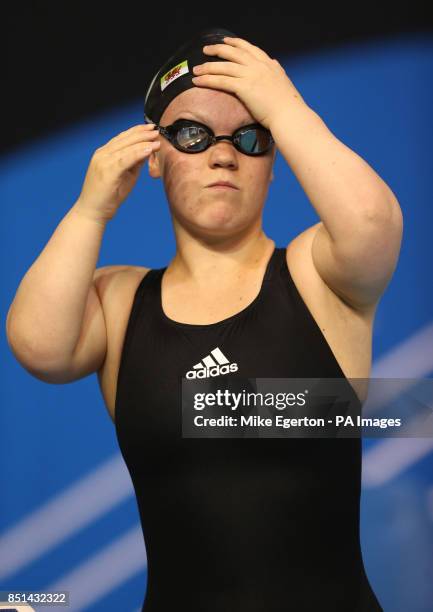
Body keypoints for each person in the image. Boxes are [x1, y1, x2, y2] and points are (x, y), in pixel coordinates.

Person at [6, 26, 402, 611]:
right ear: (156, 157)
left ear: (276, 161)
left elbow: (371, 224)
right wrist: (91, 210)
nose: (222, 154)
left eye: (250, 137)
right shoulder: (121, 301)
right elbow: (39, 346)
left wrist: (286, 108)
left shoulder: (317, 278)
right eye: (192, 134)